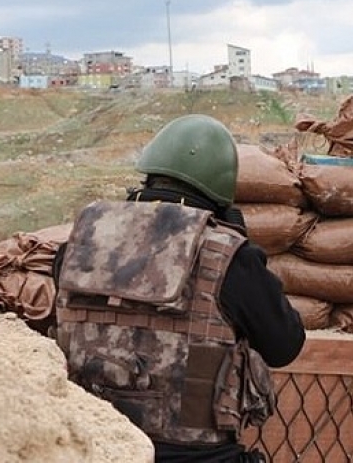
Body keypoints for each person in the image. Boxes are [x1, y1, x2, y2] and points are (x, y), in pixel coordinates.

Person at [52, 114, 306, 462]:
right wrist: (240, 249)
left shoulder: (84, 239)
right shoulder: (229, 257)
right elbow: (285, 345)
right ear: (220, 192)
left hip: (88, 448)